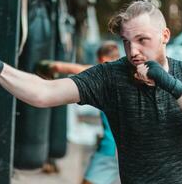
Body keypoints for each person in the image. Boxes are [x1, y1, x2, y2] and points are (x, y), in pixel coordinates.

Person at [0, 0, 182, 183]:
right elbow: (45, 92)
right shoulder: (111, 77)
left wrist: (170, 84)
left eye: (142, 40)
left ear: (165, 36)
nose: (133, 51)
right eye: (126, 42)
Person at [35, 40, 121, 184]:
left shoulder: (105, 73)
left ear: (102, 60)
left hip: (110, 149)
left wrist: (45, 66)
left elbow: (70, 67)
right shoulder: (126, 76)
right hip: (123, 147)